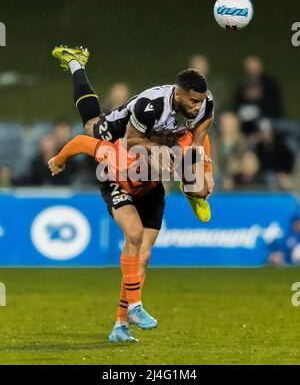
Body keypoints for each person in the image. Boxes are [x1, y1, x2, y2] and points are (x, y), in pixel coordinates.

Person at [51, 45, 214, 342]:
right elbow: (81, 143)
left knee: (144, 256)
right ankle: (76, 62)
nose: (195, 107)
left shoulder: (184, 134)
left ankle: (120, 325)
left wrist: (204, 172)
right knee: (91, 126)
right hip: (120, 165)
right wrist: (59, 159)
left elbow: (201, 135)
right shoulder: (124, 149)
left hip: (150, 190)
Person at [233, 55, 283, 135]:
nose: (252, 71)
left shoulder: (270, 84)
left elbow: (276, 108)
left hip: (267, 119)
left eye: (254, 68)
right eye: (250, 69)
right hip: (246, 123)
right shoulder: (243, 84)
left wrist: (260, 100)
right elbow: (236, 105)